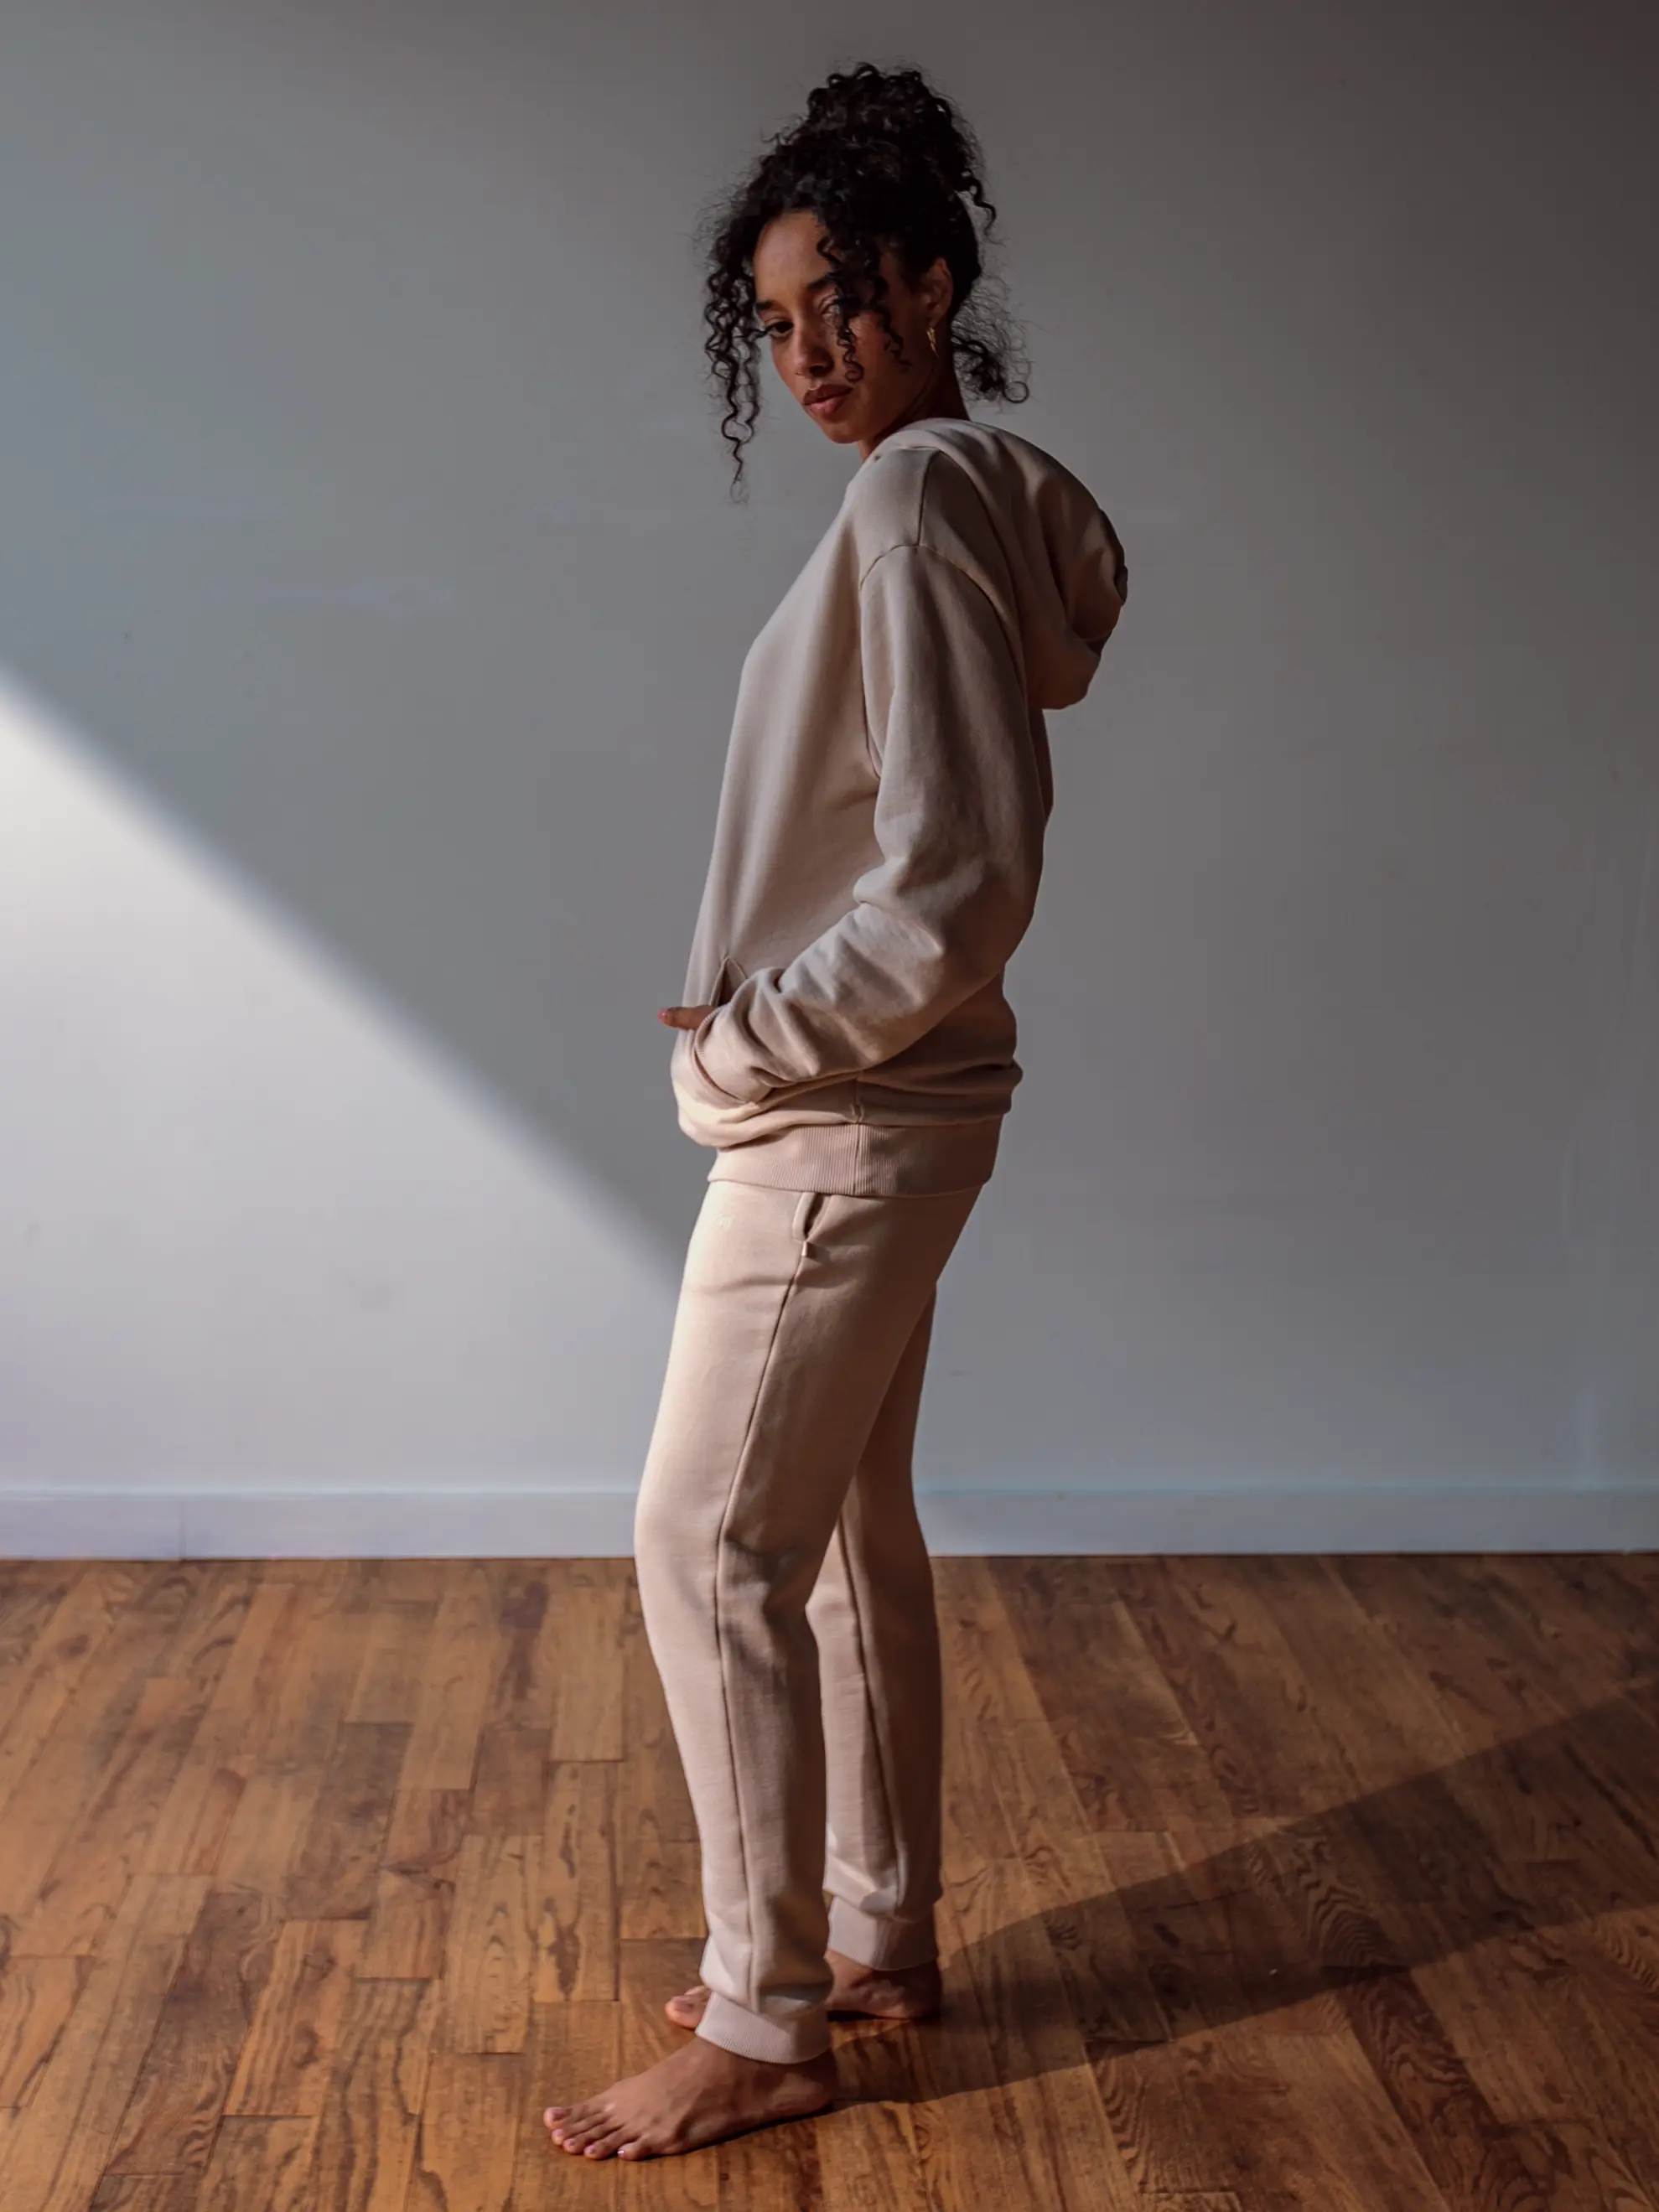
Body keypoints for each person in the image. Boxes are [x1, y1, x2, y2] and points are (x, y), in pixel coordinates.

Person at [544, 60, 1128, 2163]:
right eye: (773, 322)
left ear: (934, 281)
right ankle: (874, 1930)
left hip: (842, 1114)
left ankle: (768, 2014)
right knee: (846, 1536)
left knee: (703, 1537)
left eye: (840, 304)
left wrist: (740, 1041)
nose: (806, 354)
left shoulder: (911, 500)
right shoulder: (955, 500)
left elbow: (962, 875)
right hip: (884, 1102)